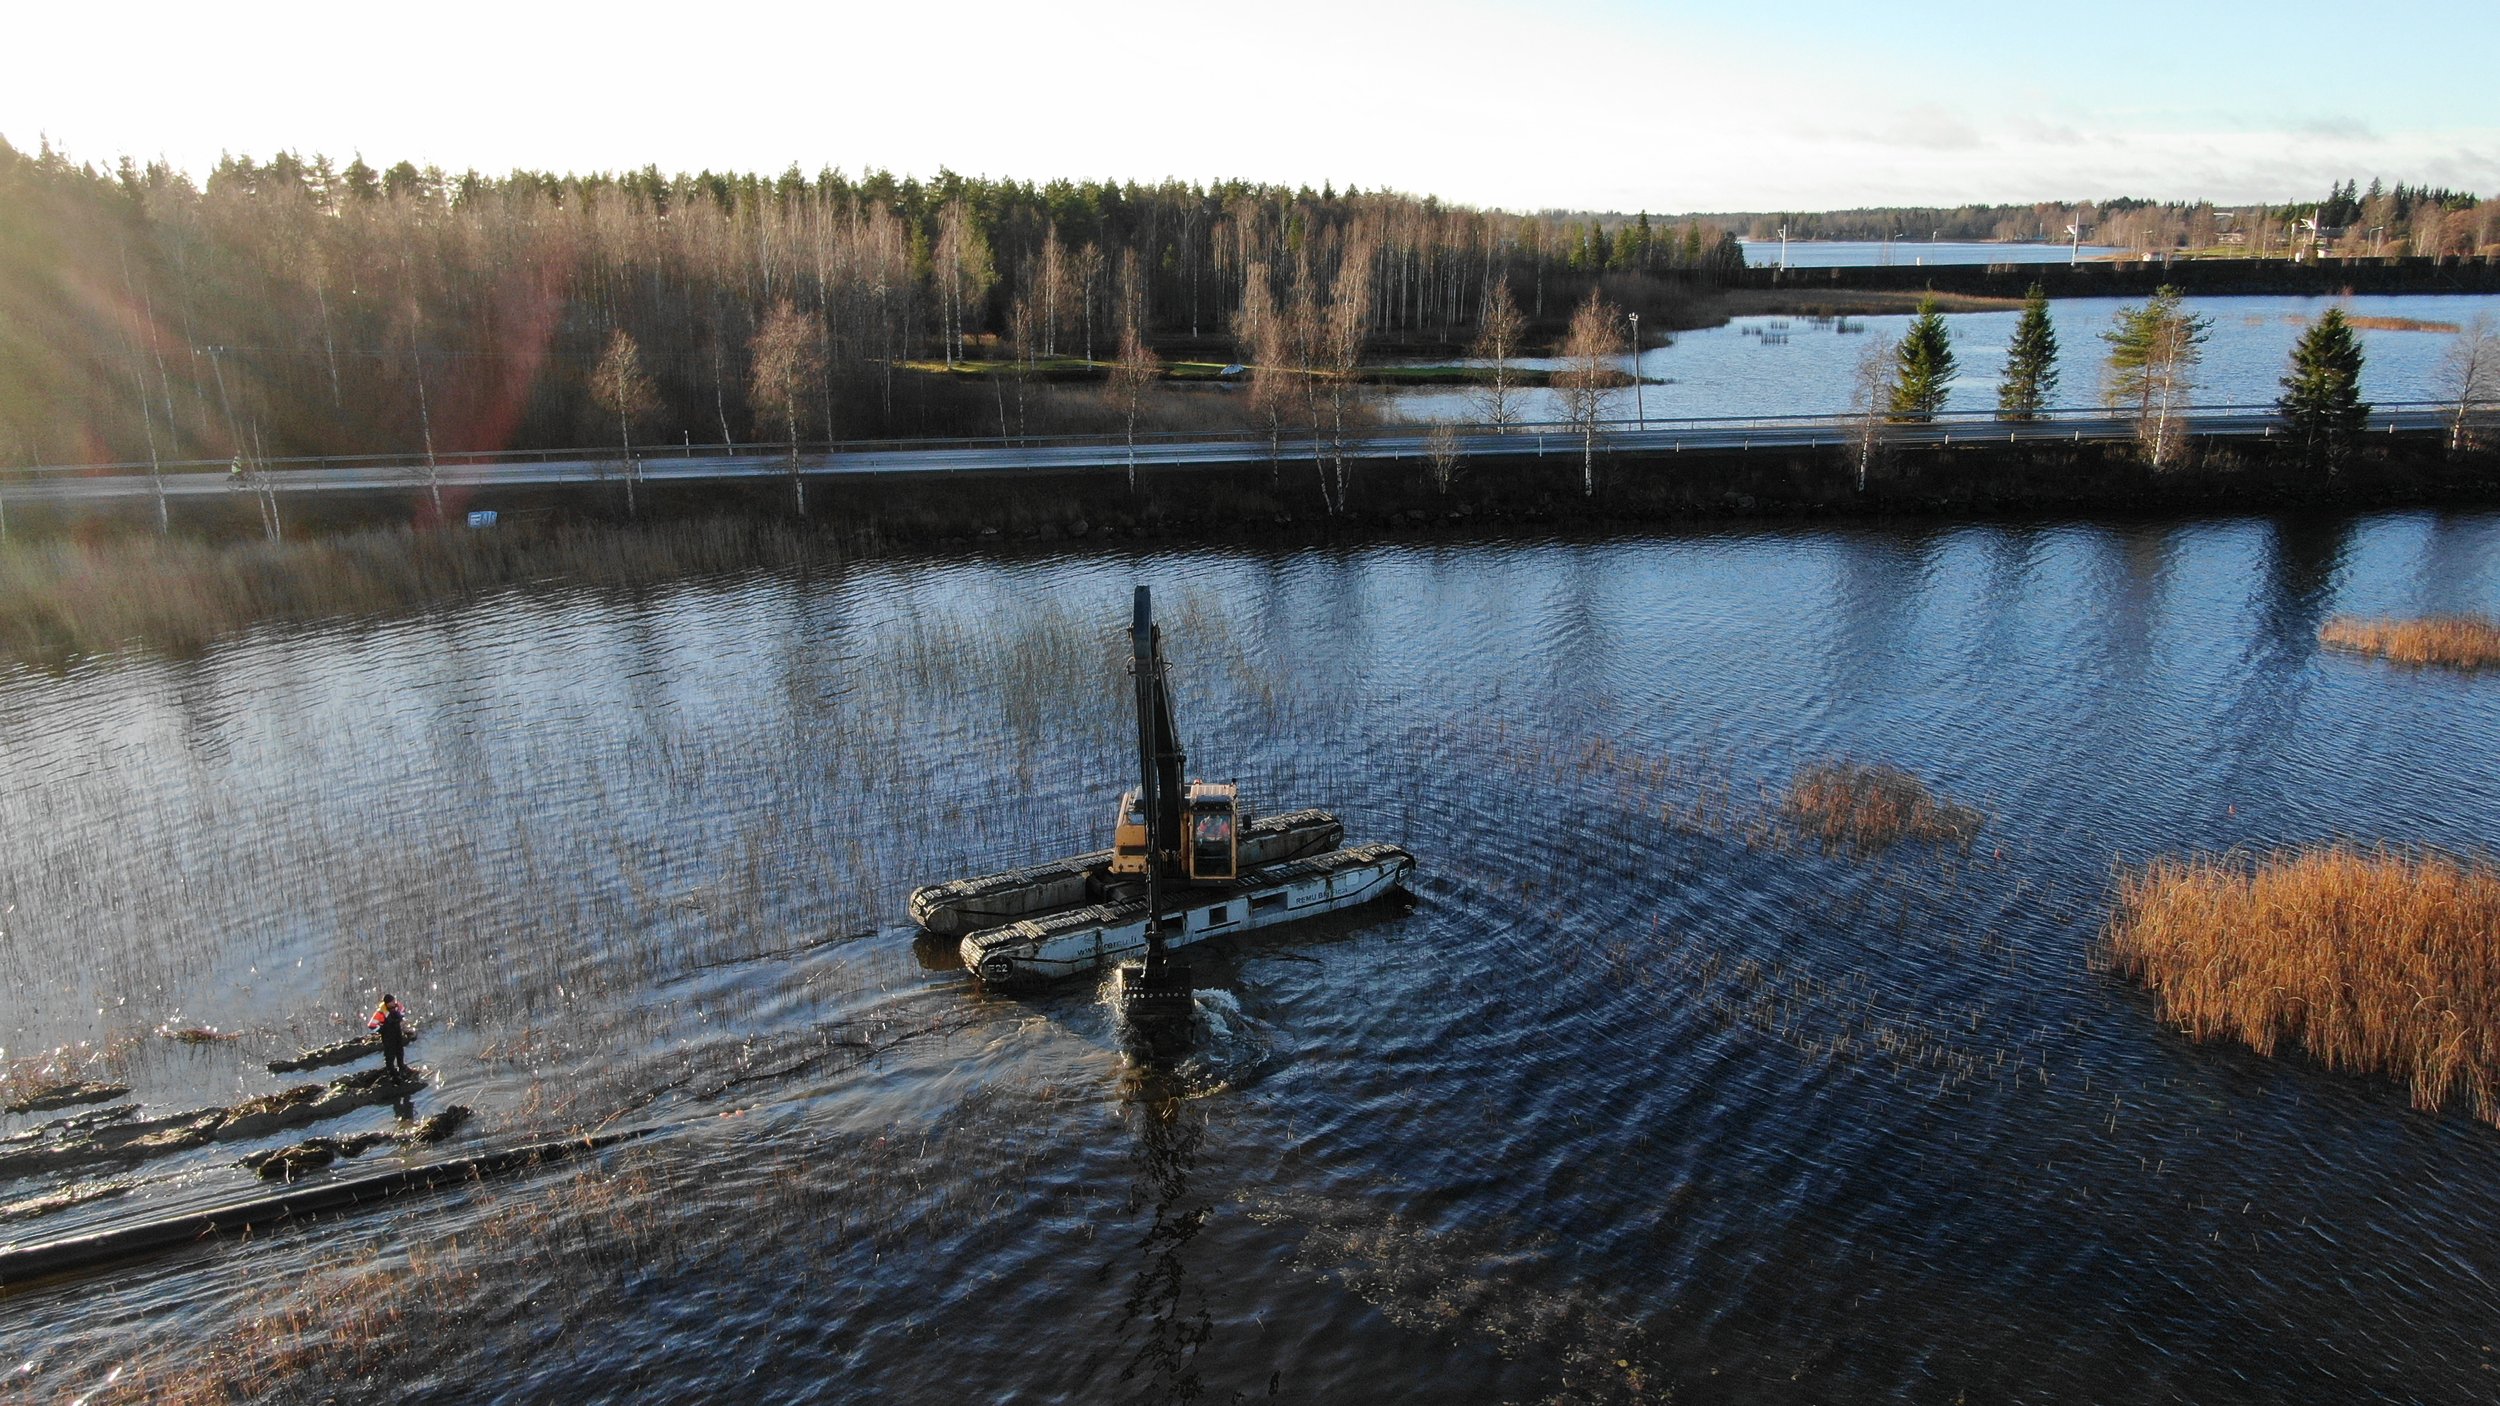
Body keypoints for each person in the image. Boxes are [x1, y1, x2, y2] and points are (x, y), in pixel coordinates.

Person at [369, 994, 410, 1079]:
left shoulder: (397, 1006)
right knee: (389, 1055)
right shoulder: (380, 1012)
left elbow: (403, 1010)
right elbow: (371, 1025)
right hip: (388, 1036)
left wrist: (401, 1016)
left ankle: (401, 1068)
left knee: (400, 1051)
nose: (393, 1003)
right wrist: (382, 1029)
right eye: (391, 1002)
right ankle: (392, 1073)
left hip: (397, 1032)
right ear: (386, 1003)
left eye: (393, 1001)